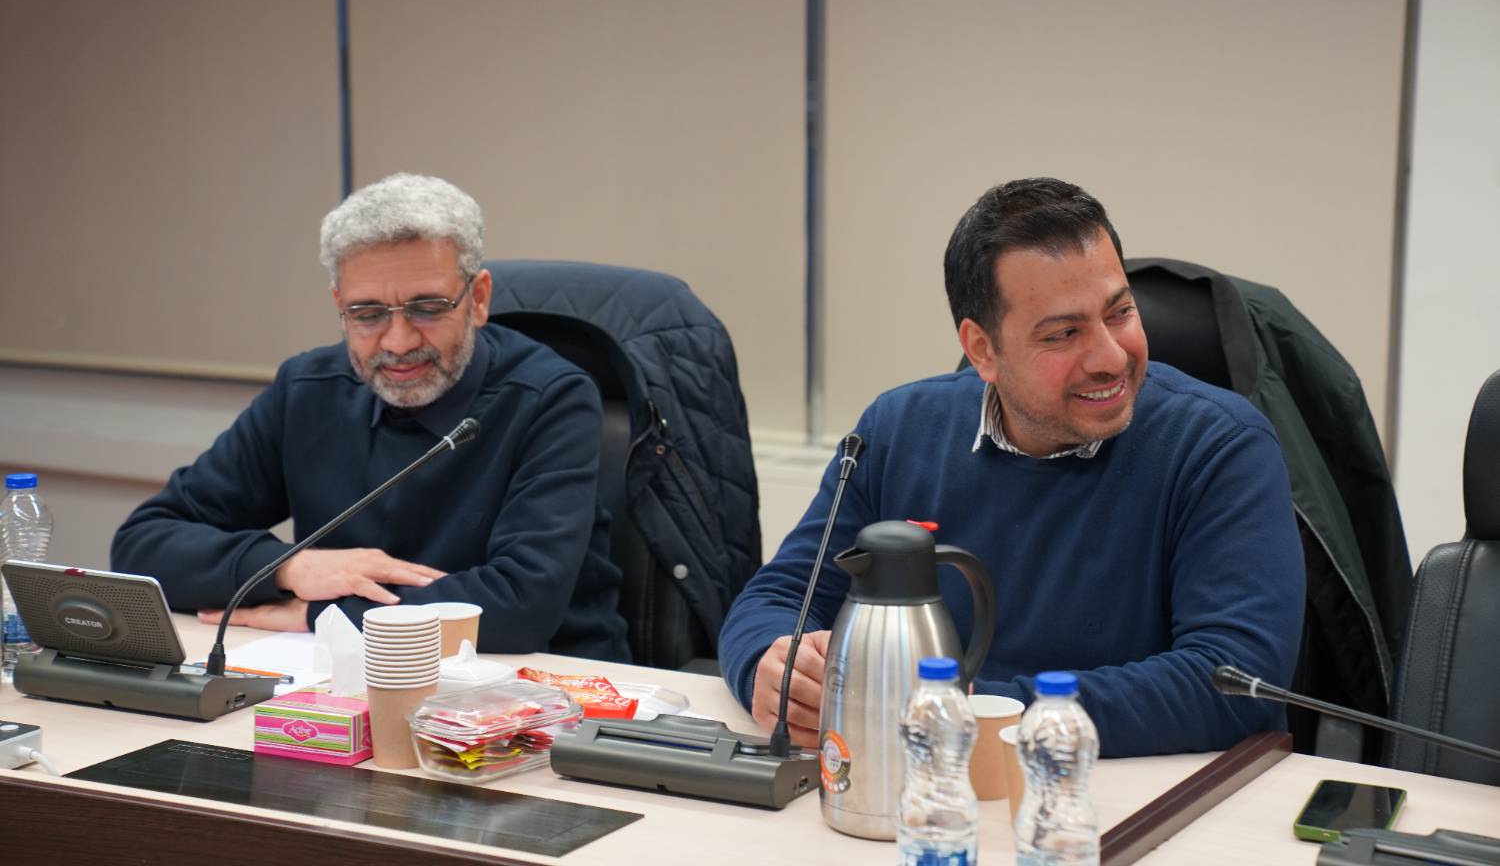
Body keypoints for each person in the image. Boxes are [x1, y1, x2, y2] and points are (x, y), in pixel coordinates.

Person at [718, 177, 1304, 756]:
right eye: (1064, 333)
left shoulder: (1220, 446)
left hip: (1131, 792)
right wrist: (771, 665)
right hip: (920, 777)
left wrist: (967, 709)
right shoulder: (898, 430)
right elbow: (783, 595)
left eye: (1121, 312)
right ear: (982, 349)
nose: (1110, 356)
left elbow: (1233, 682)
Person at [112, 173, 628, 659]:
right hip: (345, 678)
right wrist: (289, 568)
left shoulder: (551, 398)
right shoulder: (307, 389)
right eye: (368, 314)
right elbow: (143, 546)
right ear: (340, 306)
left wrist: (326, 615)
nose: (397, 342)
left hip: (541, 686)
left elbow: (521, 606)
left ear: (477, 299)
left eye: (428, 307)